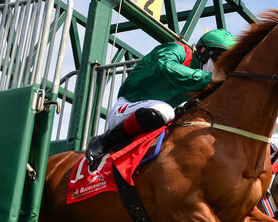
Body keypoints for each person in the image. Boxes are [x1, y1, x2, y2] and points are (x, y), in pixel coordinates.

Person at [85, 29, 236, 170]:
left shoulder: (204, 82)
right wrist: (208, 78)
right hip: (125, 108)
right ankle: (103, 141)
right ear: (203, 51)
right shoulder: (179, 50)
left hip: (154, 119)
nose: (220, 69)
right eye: (220, 60)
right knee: (165, 111)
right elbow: (165, 66)